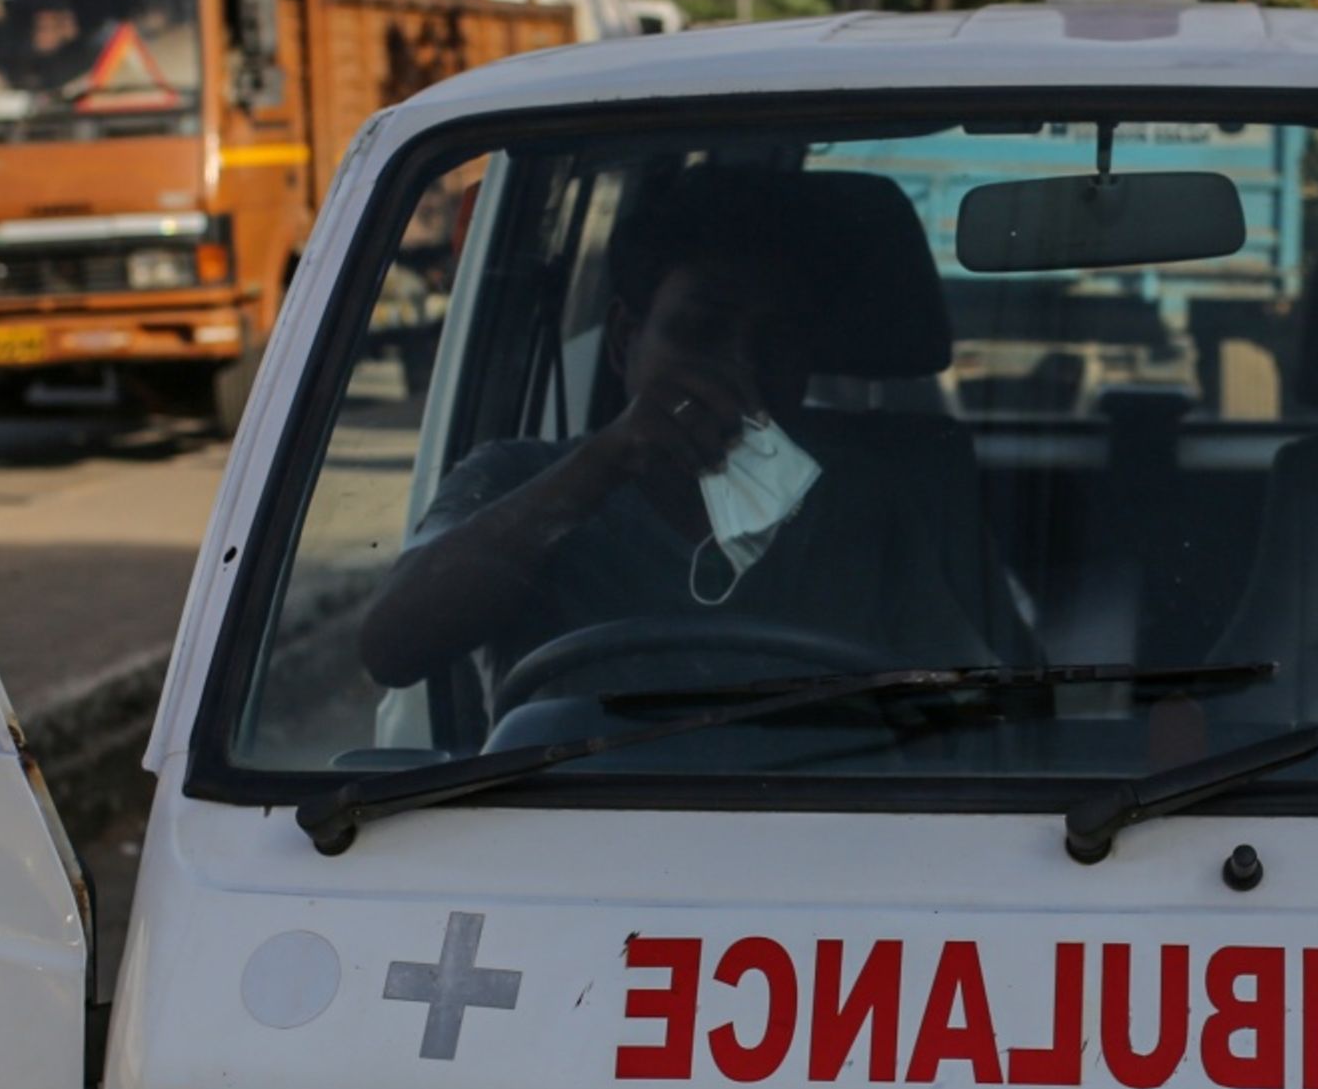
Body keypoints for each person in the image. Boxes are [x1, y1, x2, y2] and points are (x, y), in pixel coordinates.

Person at [359, 165, 1002, 695]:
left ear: (803, 366)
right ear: (623, 341)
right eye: (700, 331)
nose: (738, 364)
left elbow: (974, 700)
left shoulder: (861, 503)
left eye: (776, 342)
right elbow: (390, 649)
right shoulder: (513, 479)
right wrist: (603, 465)